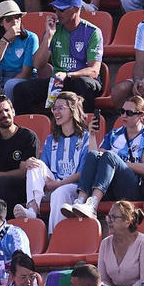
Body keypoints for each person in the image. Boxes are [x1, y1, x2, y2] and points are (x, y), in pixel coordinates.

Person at [60, 95, 144, 217]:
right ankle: (81, 200)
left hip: (137, 188)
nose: (124, 115)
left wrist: (116, 162)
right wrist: (92, 136)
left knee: (109, 156)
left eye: (129, 113)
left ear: (141, 115)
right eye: (122, 111)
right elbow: (96, 158)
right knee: (94, 154)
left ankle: (93, 205)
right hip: (110, 187)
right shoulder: (114, 134)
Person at [23, 90, 89, 228]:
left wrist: (59, 184)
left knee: (60, 192)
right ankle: (32, 209)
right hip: (52, 184)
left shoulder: (86, 138)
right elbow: (43, 167)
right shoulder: (50, 139)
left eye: (61, 108)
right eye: (54, 108)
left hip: (75, 188)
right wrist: (30, 163)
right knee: (34, 164)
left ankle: (54, 235)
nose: (56, 112)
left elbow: (83, 173)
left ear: (72, 110)